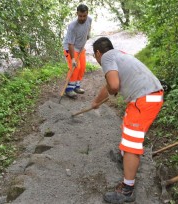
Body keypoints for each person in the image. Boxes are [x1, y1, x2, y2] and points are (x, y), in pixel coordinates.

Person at [91, 37, 164, 203]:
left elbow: (113, 86)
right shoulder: (119, 55)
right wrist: (96, 102)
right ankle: (125, 157)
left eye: (96, 57)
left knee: (131, 144)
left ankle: (127, 189)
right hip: (147, 96)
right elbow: (109, 87)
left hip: (144, 99)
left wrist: (103, 96)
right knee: (128, 127)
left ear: (98, 53)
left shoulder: (107, 58)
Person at [62, 4, 92, 99]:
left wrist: (88, 34)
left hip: (80, 47)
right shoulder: (72, 26)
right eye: (80, 16)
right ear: (77, 14)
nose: (82, 18)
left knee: (82, 67)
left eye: (84, 16)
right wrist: (73, 59)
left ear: (87, 14)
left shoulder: (89, 19)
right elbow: (70, 44)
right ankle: (69, 90)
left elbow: (88, 27)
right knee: (75, 67)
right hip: (70, 48)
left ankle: (76, 87)